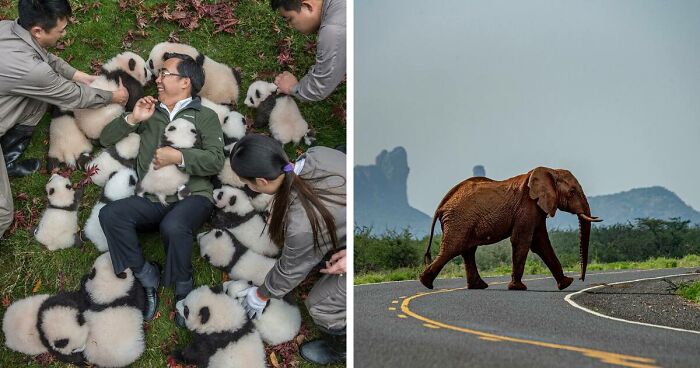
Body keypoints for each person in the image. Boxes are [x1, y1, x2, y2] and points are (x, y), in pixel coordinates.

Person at [98, 53, 224, 328]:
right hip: (151, 197)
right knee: (110, 215)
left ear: (185, 82)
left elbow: (216, 160)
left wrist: (178, 157)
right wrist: (133, 117)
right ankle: (146, 275)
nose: (158, 78)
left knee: (174, 225)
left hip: (192, 197)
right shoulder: (149, 110)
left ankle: (183, 286)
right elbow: (105, 139)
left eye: (165, 73)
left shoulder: (206, 116)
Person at [0, 0, 128, 238]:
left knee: (38, 97)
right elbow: (73, 95)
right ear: (38, 31)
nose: (65, 33)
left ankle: (8, 158)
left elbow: (44, 59)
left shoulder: (8, 28)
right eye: (61, 30)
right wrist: (114, 97)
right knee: (3, 213)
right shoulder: (31, 71)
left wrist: (79, 75)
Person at [230, 134, 346, 364]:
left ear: (262, 181)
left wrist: (261, 294)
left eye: (247, 182)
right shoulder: (320, 153)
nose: (247, 186)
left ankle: (343, 348)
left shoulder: (301, 224)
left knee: (320, 305)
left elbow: (291, 269)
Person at [271, 0, 346, 102]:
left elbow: (319, 88)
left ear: (307, 6)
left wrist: (292, 87)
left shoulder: (333, 32)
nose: (290, 25)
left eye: (290, 19)